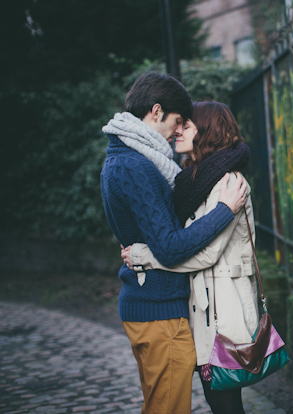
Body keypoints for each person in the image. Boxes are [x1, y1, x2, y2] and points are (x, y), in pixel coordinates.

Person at [100, 73, 249, 414]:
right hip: (158, 309)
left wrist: (144, 253)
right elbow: (169, 245)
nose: (177, 131)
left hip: (157, 305)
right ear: (156, 112)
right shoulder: (135, 165)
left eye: (186, 124)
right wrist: (225, 210)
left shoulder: (129, 159)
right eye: (177, 121)